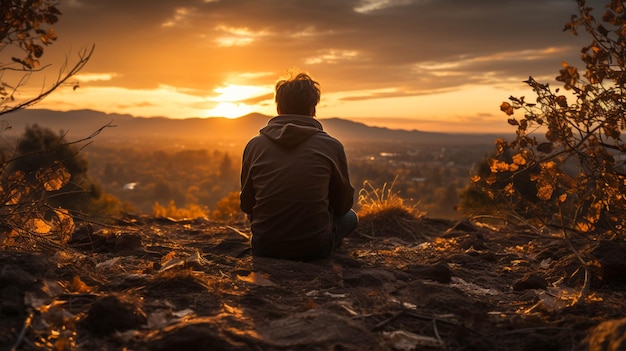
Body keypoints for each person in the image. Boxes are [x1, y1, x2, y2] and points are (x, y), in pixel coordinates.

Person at [240, 71, 358, 261]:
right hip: (314, 248)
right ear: (313, 110)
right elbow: (343, 206)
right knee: (351, 218)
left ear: (278, 109)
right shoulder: (331, 146)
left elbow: (247, 204)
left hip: (264, 247)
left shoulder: (255, 145)